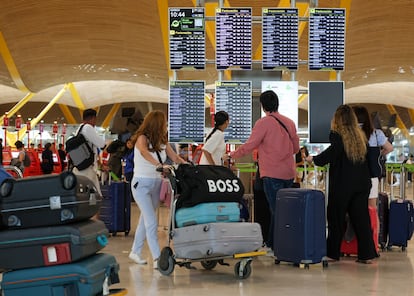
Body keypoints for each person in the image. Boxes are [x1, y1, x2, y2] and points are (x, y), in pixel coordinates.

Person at [227, 90, 300, 251]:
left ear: (263, 105)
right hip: (288, 173)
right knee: (285, 210)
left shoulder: (263, 123)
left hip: (271, 174)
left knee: (276, 210)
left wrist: (232, 154)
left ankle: (274, 244)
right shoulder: (289, 122)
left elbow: (250, 145)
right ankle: (286, 242)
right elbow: (296, 148)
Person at [305, 104, 377, 263]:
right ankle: (367, 255)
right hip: (362, 184)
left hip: (343, 185)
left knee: (336, 218)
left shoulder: (337, 135)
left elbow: (333, 152)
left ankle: (332, 253)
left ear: (337, 120)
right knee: (361, 219)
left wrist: (315, 159)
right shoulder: (360, 136)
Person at [129, 110, 187, 269]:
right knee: (151, 221)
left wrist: (186, 165)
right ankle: (157, 259)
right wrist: (158, 165)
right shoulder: (142, 138)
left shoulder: (162, 140)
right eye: (164, 122)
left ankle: (135, 251)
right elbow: (144, 152)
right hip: (141, 184)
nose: (166, 125)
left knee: (145, 220)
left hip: (156, 183)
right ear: (157, 123)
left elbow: (174, 157)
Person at [352, 105, 393, 210]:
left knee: (354, 206)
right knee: (372, 207)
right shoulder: (375, 133)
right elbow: (389, 148)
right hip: (372, 174)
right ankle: (374, 227)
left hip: (353, 175)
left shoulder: (350, 133)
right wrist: (379, 154)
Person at [72, 108, 106, 195]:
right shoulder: (88, 128)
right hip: (87, 169)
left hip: (80, 166)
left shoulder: (80, 128)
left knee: (84, 194)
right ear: (93, 118)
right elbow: (101, 144)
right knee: (96, 195)